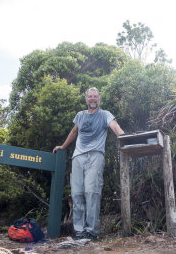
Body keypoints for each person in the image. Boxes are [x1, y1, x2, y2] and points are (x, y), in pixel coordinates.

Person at [53, 87, 124, 240]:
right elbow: (74, 132)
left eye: (95, 96)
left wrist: (125, 138)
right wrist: (63, 147)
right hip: (78, 156)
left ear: (99, 99)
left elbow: (114, 126)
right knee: (77, 194)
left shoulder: (105, 114)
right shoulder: (80, 115)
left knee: (92, 192)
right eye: (90, 96)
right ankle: (79, 231)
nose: (92, 99)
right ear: (86, 99)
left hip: (95, 155)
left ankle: (91, 232)